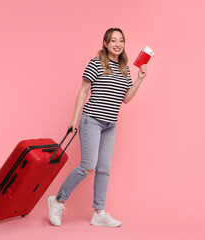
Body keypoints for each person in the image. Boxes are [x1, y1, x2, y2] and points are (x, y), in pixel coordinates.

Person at [47, 28, 148, 227]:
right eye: (113, 41)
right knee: (88, 166)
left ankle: (98, 213)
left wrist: (140, 79)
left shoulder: (125, 68)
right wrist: (74, 120)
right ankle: (57, 201)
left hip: (110, 125)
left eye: (121, 41)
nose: (117, 44)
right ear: (105, 43)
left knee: (104, 170)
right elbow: (84, 90)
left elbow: (126, 99)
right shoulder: (96, 63)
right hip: (91, 120)